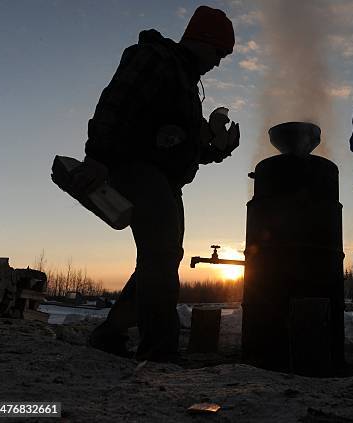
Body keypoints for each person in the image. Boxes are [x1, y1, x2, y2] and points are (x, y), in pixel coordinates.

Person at [74, 5, 240, 362]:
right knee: (161, 255)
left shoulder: (185, 85)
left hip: (164, 179)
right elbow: (116, 103)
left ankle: (111, 332)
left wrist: (217, 149)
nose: (219, 62)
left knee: (161, 257)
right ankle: (159, 349)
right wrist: (97, 157)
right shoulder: (155, 59)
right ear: (201, 40)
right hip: (135, 166)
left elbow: (185, 147)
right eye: (218, 52)